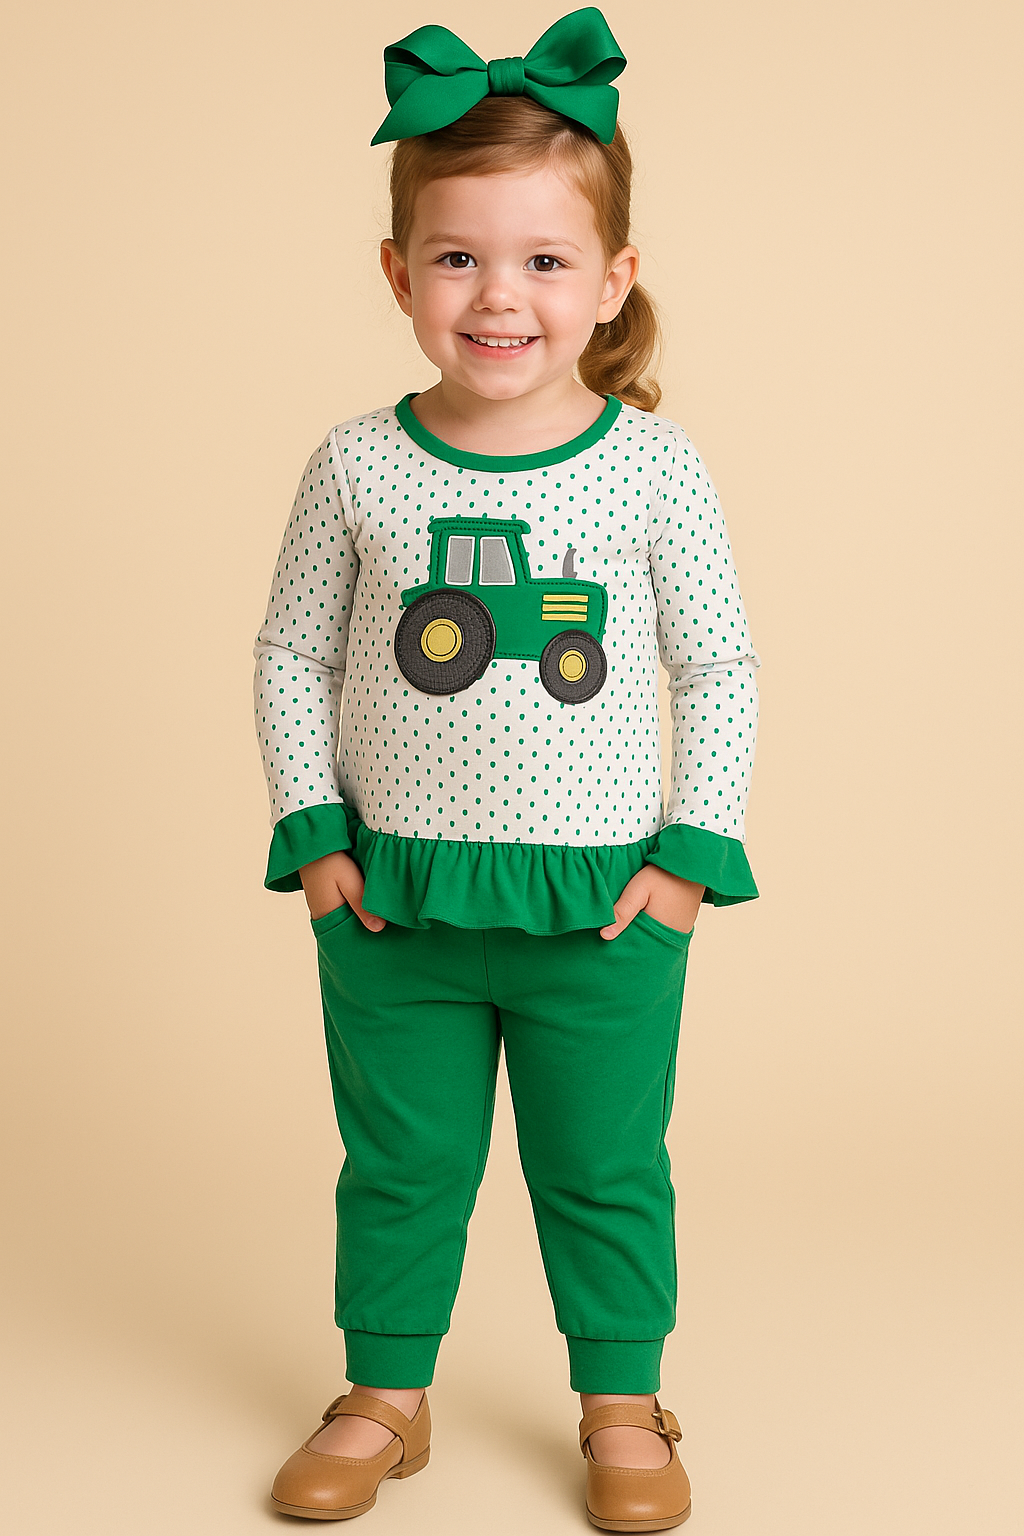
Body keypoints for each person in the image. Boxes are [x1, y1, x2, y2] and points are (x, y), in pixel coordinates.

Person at [252, 10, 761, 1530]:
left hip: (606, 911)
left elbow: (720, 665)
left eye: (545, 261)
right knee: (399, 1162)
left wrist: (686, 860)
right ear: (400, 273)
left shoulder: (655, 467)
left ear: (612, 281)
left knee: (604, 1162)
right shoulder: (356, 461)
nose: (500, 296)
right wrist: (317, 836)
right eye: (460, 257)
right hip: (395, 900)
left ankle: (623, 1398)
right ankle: (383, 1393)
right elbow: (289, 652)